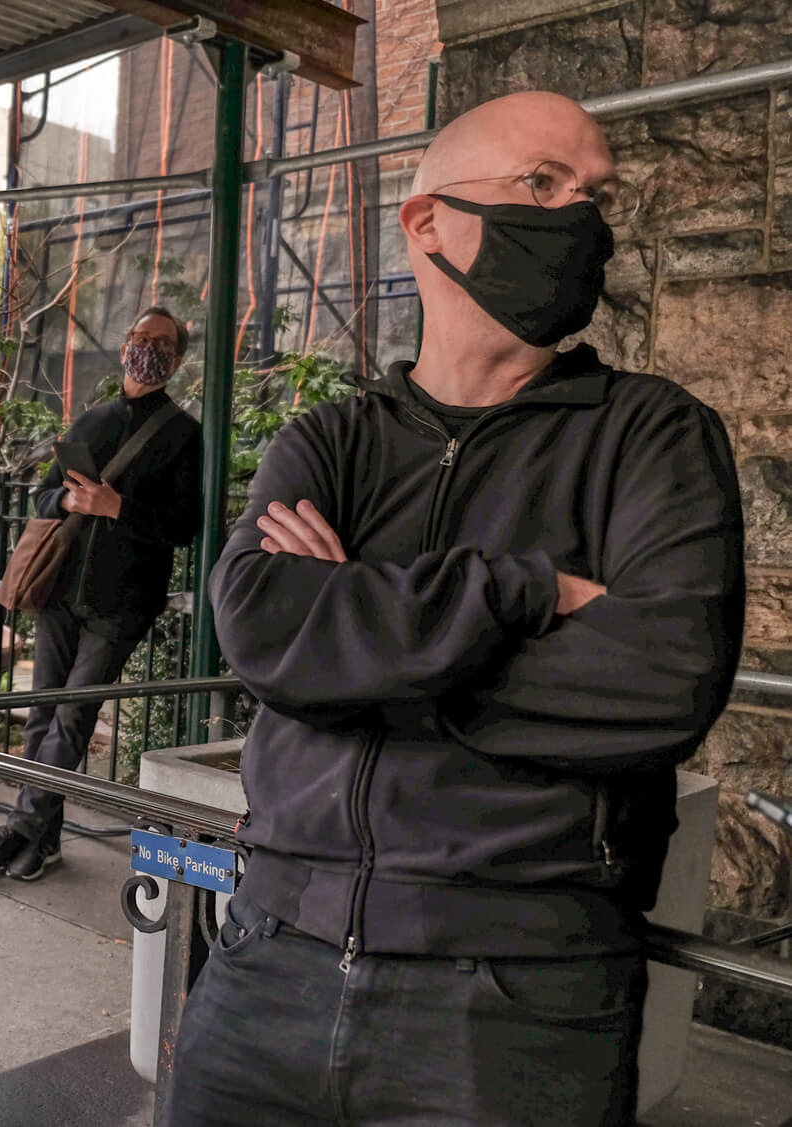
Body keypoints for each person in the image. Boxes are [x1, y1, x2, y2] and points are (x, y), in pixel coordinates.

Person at [170, 91, 745, 1127]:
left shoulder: (652, 436)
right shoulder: (332, 440)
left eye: (598, 194)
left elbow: (663, 680)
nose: (581, 215)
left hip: (518, 1001)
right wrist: (525, 591)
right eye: (542, 183)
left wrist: (354, 661)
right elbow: (257, 625)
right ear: (427, 222)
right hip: (266, 958)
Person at [0, 307, 202, 882]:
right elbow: (44, 496)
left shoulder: (184, 435)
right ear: (124, 346)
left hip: (123, 600)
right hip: (61, 590)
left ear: (176, 359)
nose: (147, 347)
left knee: (72, 717)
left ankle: (17, 830)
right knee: (42, 715)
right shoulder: (91, 420)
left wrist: (118, 507)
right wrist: (68, 501)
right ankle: (43, 842)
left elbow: (185, 524)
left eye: (160, 341)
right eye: (140, 336)